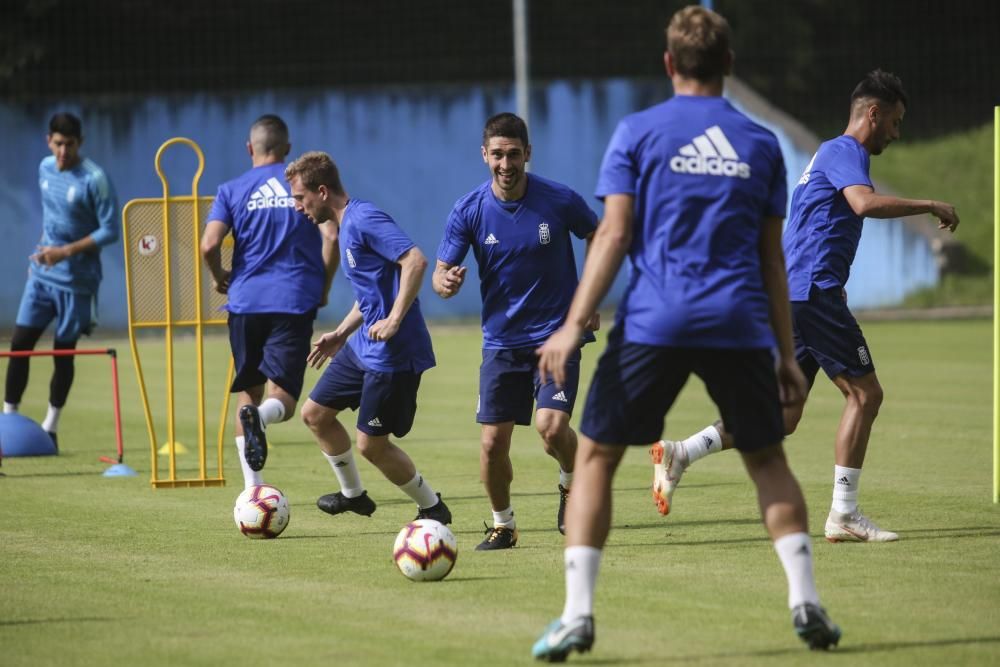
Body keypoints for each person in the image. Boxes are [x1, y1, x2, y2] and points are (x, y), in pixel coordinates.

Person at [531, 7, 840, 660]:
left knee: (596, 458)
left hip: (655, 322)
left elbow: (612, 235)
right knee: (767, 459)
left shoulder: (639, 131)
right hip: (738, 322)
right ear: (729, 64)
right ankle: (806, 598)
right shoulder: (759, 143)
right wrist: (788, 354)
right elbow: (772, 258)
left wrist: (571, 325)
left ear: (669, 64)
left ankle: (577, 615)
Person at [650, 69, 959, 543]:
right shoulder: (843, 152)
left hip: (802, 293)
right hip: (811, 293)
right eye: (895, 122)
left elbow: (811, 224)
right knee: (865, 395)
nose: (897, 134)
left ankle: (682, 452)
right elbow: (862, 204)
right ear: (872, 114)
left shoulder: (830, 156)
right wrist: (930, 203)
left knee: (784, 414)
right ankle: (844, 514)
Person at [433, 112, 598, 550]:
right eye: (497, 155)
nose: (506, 164)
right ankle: (503, 525)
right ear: (484, 155)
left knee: (550, 427)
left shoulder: (558, 200)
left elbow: (597, 233)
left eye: (514, 154)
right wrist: (444, 283)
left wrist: (589, 297)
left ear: (528, 153)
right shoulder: (469, 209)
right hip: (502, 342)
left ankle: (571, 483)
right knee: (491, 444)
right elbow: (438, 274)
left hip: (556, 335)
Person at [284, 151, 451, 525]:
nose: (298, 207)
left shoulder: (363, 218)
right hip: (362, 348)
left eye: (300, 198)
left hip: (393, 355)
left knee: (370, 446)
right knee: (315, 415)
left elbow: (415, 260)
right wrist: (341, 333)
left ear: (322, 191)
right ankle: (354, 496)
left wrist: (393, 319)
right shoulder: (345, 227)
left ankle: (432, 506)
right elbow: (371, 292)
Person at [201, 114, 339, 490]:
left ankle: (253, 489)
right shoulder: (302, 185)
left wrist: (219, 279)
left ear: (250, 148)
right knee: (284, 398)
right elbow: (332, 236)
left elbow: (209, 244)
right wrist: (323, 286)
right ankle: (261, 418)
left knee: (248, 391)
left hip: (244, 302)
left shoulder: (231, 189)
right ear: (288, 149)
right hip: (293, 299)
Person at [4, 112, 119, 448]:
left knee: (62, 352)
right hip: (42, 276)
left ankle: (51, 427)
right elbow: (53, 219)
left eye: (69, 144)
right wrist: (43, 255)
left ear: (79, 143)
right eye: (57, 144)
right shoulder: (43, 169)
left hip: (77, 281)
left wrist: (65, 252)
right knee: (20, 344)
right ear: (48, 141)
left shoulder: (94, 178)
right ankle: (8, 419)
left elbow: (110, 229)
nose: (63, 151)